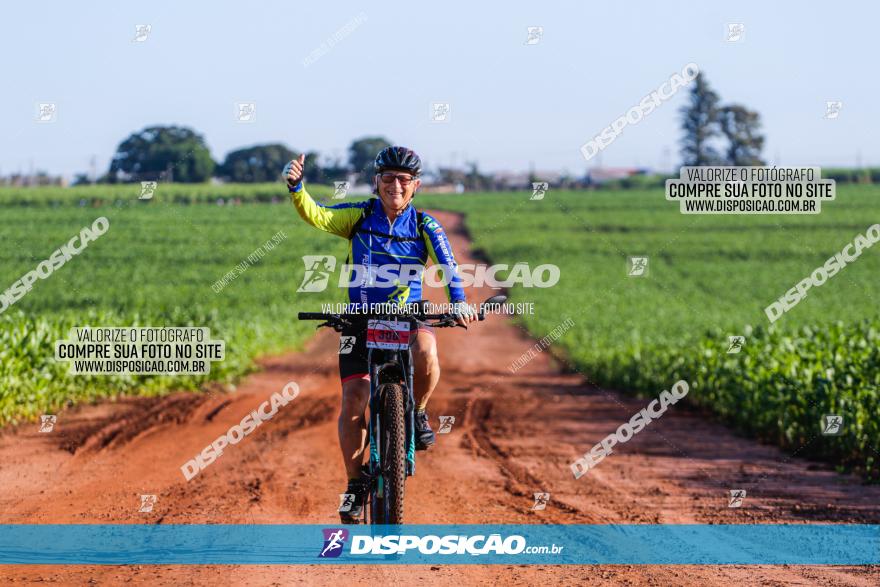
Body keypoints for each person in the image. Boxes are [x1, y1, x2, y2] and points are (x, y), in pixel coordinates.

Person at [284, 146, 475, 523]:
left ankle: (417, 413)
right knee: (353, 399)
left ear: (416, 185)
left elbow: (449, 266)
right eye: (388, 178)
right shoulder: (359, 215)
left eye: (404, 180)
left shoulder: (424, 225)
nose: (396, 186)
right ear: (377, 182)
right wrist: (297, 188)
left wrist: (459, 301)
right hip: (360, 318)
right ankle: (355, 486)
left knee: (426, 352)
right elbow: (319, 215)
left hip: (407, 316)